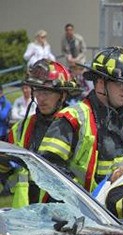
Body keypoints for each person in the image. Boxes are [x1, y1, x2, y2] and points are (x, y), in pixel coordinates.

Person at [38, 47, 123, 193]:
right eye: (120, 84)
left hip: (118, 208)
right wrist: (106, 184)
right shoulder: (72, 118)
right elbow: (49, 169)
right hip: (78, 209)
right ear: (101, 84)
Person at [7, 59, 81, 208]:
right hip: (25, 216)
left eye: (46, 92)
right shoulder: (22, 128)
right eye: (37, 91)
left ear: (63, 95)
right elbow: (6, 169)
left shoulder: (77, 127)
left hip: (64, 212)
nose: (40, 98)